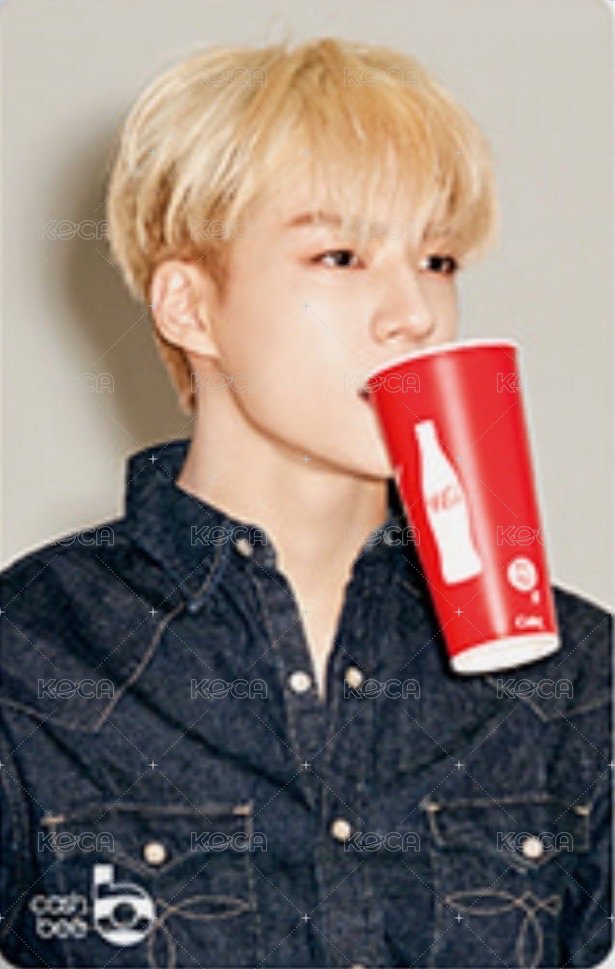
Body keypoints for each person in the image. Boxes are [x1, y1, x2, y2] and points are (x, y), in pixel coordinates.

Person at [0, 36, 611, 969]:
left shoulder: (578, 681)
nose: (414, 313)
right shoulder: (31, 656)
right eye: (341, 255)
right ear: (188, 306)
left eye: (438, 259)